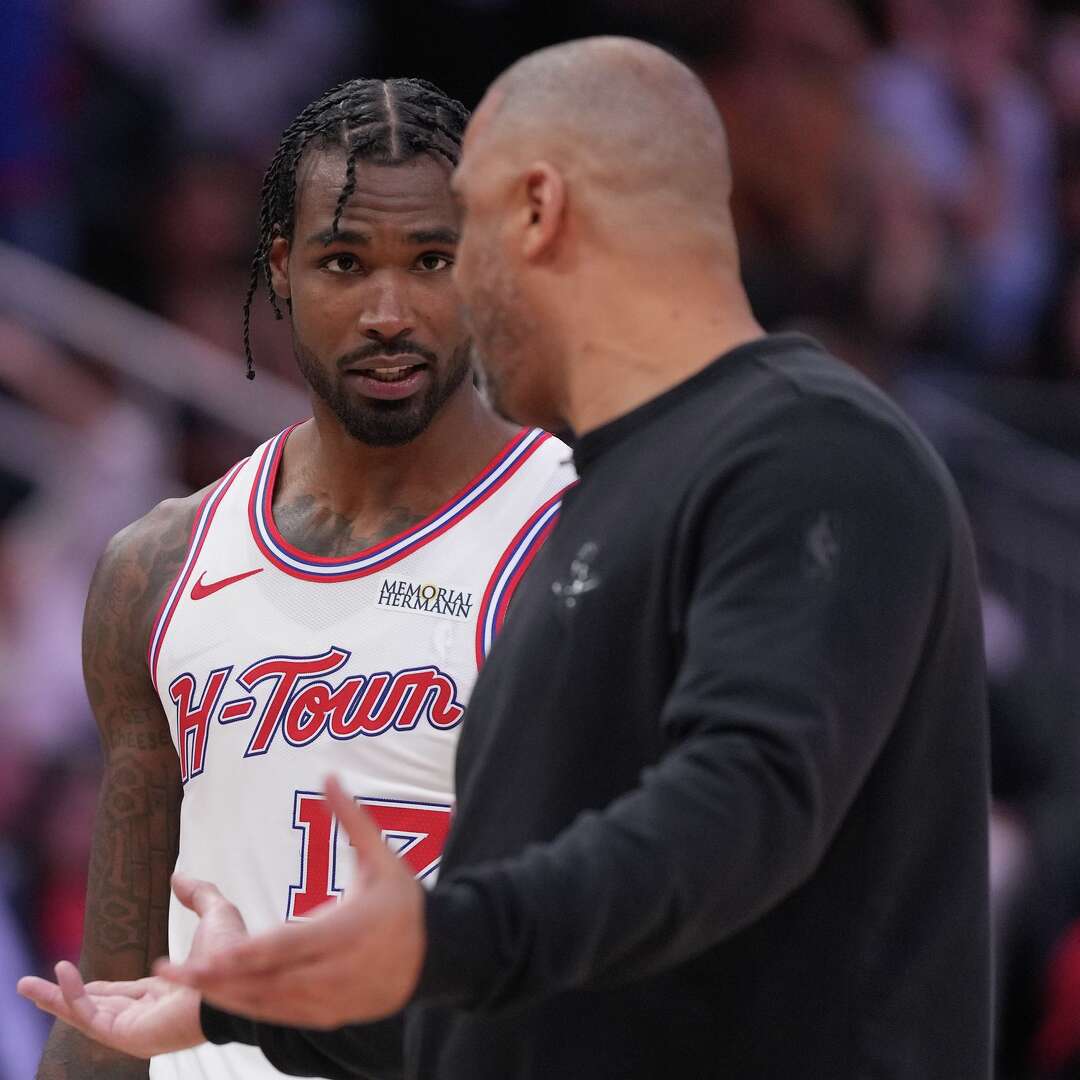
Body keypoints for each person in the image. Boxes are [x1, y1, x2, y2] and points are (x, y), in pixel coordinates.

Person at [20, 38, 992, 1079]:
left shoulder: (809, 451)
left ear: (536, 214)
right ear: (282, 274)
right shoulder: (616, 508)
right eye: (348, 260)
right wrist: (245, 1016)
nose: (422, 307)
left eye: (452, 245)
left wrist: (431, 943)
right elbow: (533, 980)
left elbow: (737, 808)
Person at [28, 75, 574, 1080]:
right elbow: (108, 1000)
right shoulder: (156, 566)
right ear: (281, 269)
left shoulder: (576, 536)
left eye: (432, 260)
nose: (387, 311)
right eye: (344, 261)